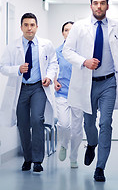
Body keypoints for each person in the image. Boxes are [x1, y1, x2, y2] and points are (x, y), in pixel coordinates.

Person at [62, 0, 118, 182]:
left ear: (107, 6)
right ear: (91, 6)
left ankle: (100, 167)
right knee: (89, 124)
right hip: (87, 83)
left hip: (109, 83)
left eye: (102, 3)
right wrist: (84, 61)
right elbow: (67, 50)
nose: (99, 6)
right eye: (95, 3)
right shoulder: (80, 26)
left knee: (105, 123)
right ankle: (91, 143)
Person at [0, 12, 58, 173]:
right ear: (21, 27)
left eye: (32, 25)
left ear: (37, 27)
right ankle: (27, 158)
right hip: (21, 88)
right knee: (23, 124)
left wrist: (50, 77)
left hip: (39, 87)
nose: (29, 28)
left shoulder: (46, 44)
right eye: (26, 25)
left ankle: (38, 160)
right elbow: (2, 67)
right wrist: (17, 69)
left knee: (37, 120)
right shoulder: (13, 46)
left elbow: (53, 63)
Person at [54, 21, 83, 168]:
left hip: (78, 94)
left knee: (77, 130)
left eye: (71, 30)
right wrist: (53, 80)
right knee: (64, 124)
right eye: (66, 30)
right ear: (62, 33)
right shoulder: (57, 51)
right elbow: (51, 68)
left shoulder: (81, 52)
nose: (68, 33)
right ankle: (64, 144)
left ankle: (74, 157)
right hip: (62, 93)